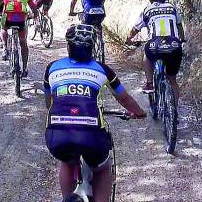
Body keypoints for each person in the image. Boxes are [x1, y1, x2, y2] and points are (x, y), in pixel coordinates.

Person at [44, 24, 146, 202]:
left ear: (68, 46)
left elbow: (49, 101)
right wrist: (139, 112)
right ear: (92, 47)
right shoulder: (102, 69)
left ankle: (67, 197)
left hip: (57, 133)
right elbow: (124, 99)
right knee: (102, 167)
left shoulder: (52, 68)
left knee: (67, 162)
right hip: (92, 135)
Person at [124, 0, 186, 102]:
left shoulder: (147, 10)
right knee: (173, 80)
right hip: (174, 46)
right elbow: (179, 26)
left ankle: (149, 83)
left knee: (147, 56)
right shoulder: (172, 7)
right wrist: (182, 39)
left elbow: (135, 29)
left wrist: (128, 40)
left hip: (154, 45)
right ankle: (175, 112)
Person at [0, 0, 38, 77]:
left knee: (3, 28)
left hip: (8, 19)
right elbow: (34, 9)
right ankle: (25, 68)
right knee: (23, 43)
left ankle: (4, 48)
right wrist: (34, 16)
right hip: (21, 20)